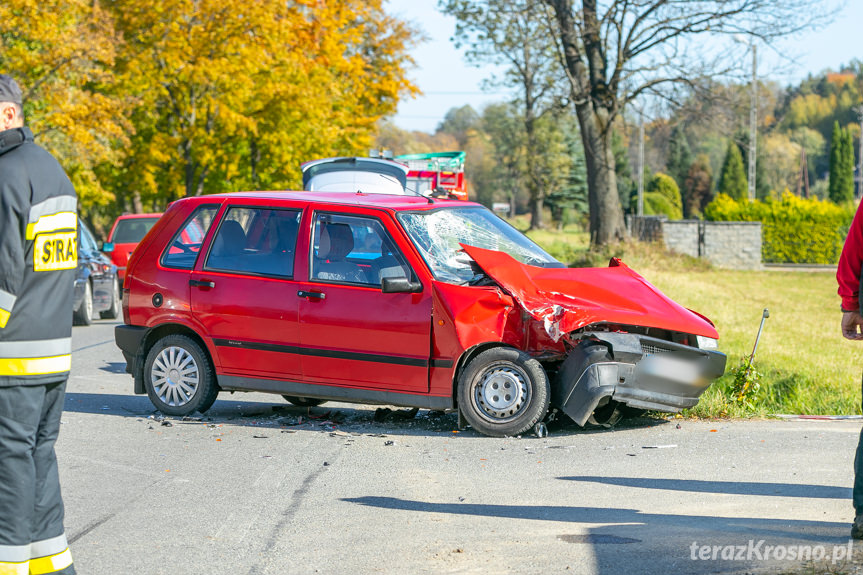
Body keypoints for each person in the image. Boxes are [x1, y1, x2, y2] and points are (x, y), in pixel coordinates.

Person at [0, 74, 77, 574]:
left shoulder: (6, 175)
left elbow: (4, 278)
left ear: (7, 114)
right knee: (37, 458)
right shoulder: (52, 171)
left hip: (13, 357)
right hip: (54, 352)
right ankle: (52, 566)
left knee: (8, 465)